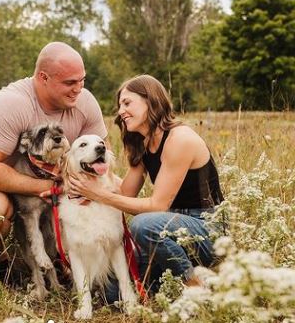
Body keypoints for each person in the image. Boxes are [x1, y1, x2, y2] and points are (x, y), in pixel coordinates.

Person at [68, 74, 224, 297]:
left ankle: (196, 286)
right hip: (170, 226)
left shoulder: (179, 139)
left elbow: (157, 206)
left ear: (151, 101)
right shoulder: (142, 143)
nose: (121, 111)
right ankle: (171, 284)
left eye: (127, 103)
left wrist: (98, 194)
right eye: (119, 105)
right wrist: (88, 181)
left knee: (143, 225)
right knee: (112, 292)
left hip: (205, 225)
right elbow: (125, 194)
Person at [0, 42, 107, 241]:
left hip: (62, 184)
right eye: (70, 83)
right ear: (43, 77)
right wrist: (48, 187)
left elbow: (102, 163)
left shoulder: (85, 103)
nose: (78, 89)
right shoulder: (11, 102)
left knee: (95, 203)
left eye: (82, 80)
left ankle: (70, 260)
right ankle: (0, 265)